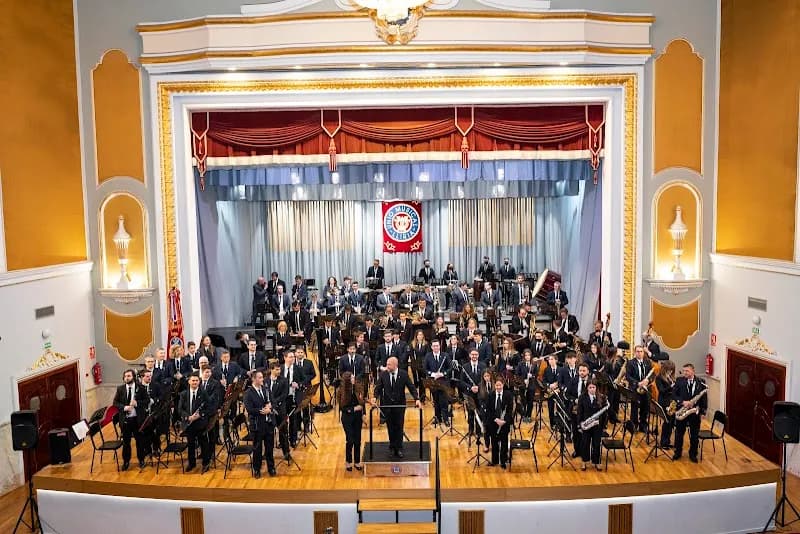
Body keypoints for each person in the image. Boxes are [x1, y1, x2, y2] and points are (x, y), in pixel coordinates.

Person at [371, 356, 421, 458]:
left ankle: (399, 447)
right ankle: (392, 446)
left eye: (389, 365)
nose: (387, 366)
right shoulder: (384, 374)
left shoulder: (403, 374)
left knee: (399, 426)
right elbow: (378, 388)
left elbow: (411, 387)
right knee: (390, 426)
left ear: (395, 365)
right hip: (387, 405)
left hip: (399, 405)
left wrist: (417, 399)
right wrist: (374, 397)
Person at [243, 370, 276, 477]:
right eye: (260, 378)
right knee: (257, 449)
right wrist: (262, 410)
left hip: (268, 423)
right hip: (257, 425)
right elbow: (249, 409)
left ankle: (271, 468)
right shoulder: (248, 393)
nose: (262, 379)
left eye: (262, 377)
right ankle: (257, 469)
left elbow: (273, 401)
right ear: (254, 379)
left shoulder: (266, 389)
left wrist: (270, 408)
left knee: (269, 448)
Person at [673, 363, 707, 463]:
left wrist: (703, 411)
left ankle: (693, 454)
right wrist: (682, 402)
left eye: (687, 371)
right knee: (679, 434)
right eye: (684, 371)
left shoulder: (701, 382)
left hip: (694, 413)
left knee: (694, 435)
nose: (684, 373)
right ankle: (677, 452)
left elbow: (704, 398)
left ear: (693, 371)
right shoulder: (679, 380)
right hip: (682, 410)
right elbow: (674, 395)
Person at [180, 374, 212, 473]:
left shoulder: (203, 393)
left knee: (203, 443)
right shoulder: (183, 394)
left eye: (196, 380)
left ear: (199, 382)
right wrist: (187, 417)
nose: (194, 382)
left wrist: (200, 415)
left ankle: (206, 463)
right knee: (191, 444)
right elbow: (180, 409)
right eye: (193, 380)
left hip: (200, 422)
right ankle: (192, 463)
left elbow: (209, 407)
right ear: (189, 382)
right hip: (189, 423)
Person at [112, 370, 142, 471]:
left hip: (137, 419)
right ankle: (126, 461)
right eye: (125, 376)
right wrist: (124, 407)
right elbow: (115, 402)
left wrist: (137, 403)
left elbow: (146, 400)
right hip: (125, 420)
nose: (127, 378)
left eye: (129, 376)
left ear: (133, 377)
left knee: (139, 441)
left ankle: (141, 460)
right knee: (126, 442)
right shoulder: (120, 389)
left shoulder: (140, 387)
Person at [338, 371, 365, 471]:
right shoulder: (341, 391)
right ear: (348, 380)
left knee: (358, 440)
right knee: (350, 440)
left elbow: (362, 401)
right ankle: (348, 461)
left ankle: (357, 461)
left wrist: (364, 413)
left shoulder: (358, 388)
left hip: (357, 417)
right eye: (352, 378)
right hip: (347, 418)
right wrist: (354, 409)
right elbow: (342, 408)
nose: (354, 379)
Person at [266, 362, 292, 461]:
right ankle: (268, 454)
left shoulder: (284, 380)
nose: (279, 371)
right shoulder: (265, 381)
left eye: (279, 369)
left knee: (283, 432)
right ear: (271, 370)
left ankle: (286, 453)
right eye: (276, 369)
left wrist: (273, 403)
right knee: (268, 434)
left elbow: (284, 394)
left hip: (280, 409)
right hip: (268, 410)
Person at [485, 377, 514, 468]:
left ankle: (503, 461)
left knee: (504, 442)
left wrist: (504, 421)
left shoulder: (508, 395)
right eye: (496, 385)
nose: (498, 387)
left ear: (503, 385)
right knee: (494, 442)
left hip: (504, 423)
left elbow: (510, 410)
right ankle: (495, 461)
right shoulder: (491, 395)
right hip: (493, 423)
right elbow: (489, 410)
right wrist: (496, 419)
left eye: (500, 385)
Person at [577, 381, 606, 471]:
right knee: (585, 443)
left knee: (596, 444)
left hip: (597, 425)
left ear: (596, 388)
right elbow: (579, 412)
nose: (592, 389)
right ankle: (584, 461)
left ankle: (596, 462)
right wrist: (579, 424)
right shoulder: (582, 397)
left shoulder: (601, 397)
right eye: (590, 387)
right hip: (586, 424)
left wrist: (603, 426)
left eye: (594, 387)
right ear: (587, 388)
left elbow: (604, 414)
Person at [134, 369, 160, 467]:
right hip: (142, 416)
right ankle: (147, 451)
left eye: (150, 376)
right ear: (142, 377)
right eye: (147, 376)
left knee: (154, 433)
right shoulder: (137, 388)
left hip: (153, 414)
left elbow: (161, 397)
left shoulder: (155, 385)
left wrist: (155, 400)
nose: (150, 378)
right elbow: (136, 401)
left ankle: (155, 449)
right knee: (144, 436)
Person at [281, 350, 306, 447]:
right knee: (283, 421)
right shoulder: (280, 369)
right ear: (285, 358)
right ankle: (283, 441)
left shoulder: (298, 368)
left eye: (293, 357)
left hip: (293, 397)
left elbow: (304, 380)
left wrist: (298, 384)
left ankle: (293, 439)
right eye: (290, 357)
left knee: (293, 420)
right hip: (282, 398)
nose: (293, 359)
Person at [626, 345, 653, 433]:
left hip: (645, 389)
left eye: (641, 351)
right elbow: (628, 376)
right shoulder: (630, 363)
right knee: (634, 408)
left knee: (645, 408)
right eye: (638, 351)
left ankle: (643, 426)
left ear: (643, 353)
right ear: (635, 352)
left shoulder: (647, 362)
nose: (640, 353)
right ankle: (634, 425)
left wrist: (648, 380)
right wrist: (638, 383)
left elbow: (652, 375)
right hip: (635, 389)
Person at [425, 340, 451, 425]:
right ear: (431, 347)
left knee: (444, 401)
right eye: (434, 346)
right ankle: (437, 418)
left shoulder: (445, 355)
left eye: (437, 346)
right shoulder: (428, 356)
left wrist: (443, 374)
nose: (436, 347)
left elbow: (450, 368)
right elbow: (425, 368)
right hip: (433, 382)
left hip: (443, 382)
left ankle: (446, 419)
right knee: (436, 401)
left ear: (439, 346)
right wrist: (433, 374)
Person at [461, 349, 486, 437]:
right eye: (472, 354)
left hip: (480, 393)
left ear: (478, 355)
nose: (474, 356)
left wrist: (479, 387)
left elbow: (485, 379)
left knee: (479, 412)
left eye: (476, 354)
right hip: (469, 393)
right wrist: (470, 387)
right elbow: (461, 381)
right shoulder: (465, 366)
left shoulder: (483, 366)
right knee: (470, 413)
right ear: (469, 355)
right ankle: (471, 430)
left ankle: (479, 431)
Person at [656, 360, 677, 450]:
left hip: (671, 402)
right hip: (664, 402)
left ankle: (667, 441)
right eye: (669, 370)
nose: (670, 372)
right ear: (664, 369)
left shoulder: (671, 378)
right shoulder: (659, 378)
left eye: (672, 370)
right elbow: (661, 391)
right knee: (667, 422)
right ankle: (663, 442)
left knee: (671, 423)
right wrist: (671, 387)